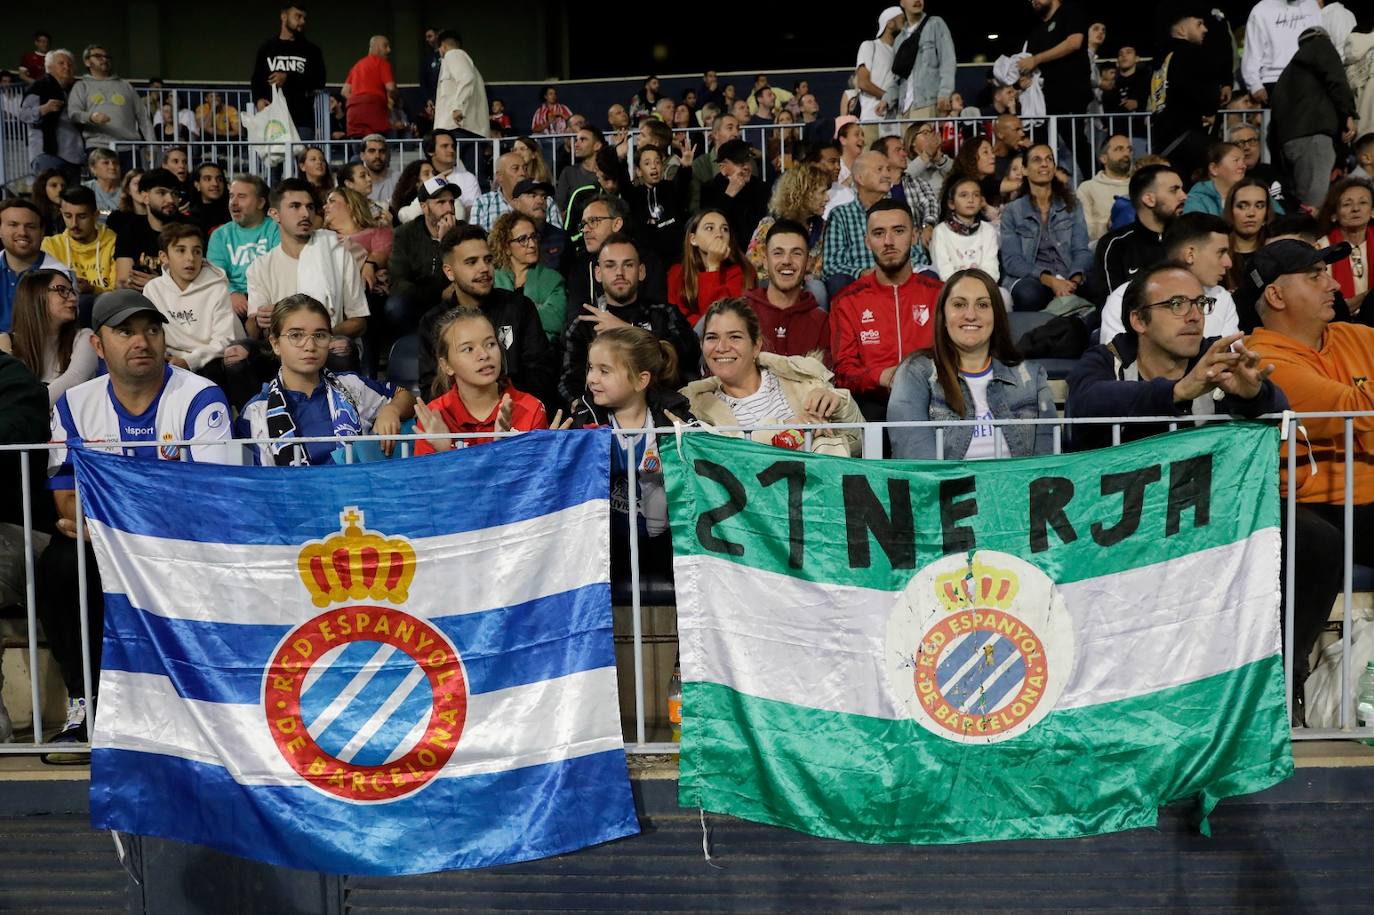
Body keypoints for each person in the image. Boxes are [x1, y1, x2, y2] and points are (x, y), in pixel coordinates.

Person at [42, 289, 240, 756]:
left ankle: (200, 707)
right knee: (57, 565)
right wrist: (103, 529)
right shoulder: (74, 404)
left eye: (151, 329)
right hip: (109, 539)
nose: (141, 341)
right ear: (98, 344)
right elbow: (67, 500)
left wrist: (116, 524)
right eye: (125, 331)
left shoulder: (200, 396)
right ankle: (84, 702)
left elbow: (207, 495)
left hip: (185, 540)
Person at [1241, 238, 1374, 692]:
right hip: (1306, 503)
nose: (1333, 284)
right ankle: (1282, 681)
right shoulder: (1262, 360)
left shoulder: (1357, 337)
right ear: (1275, 296)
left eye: (1328, 273)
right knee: (1318, 542)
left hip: (1365, 499)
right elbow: (1356, 414)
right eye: (1315, 276)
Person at [1065, 262, 1285, 452]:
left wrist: (1254, 397)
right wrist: (1177, 392)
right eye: (1177, 304)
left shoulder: (1218, 359)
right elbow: (1085, 401)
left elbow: (1283, 416)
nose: (1195, 316)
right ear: (1139, 321)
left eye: (1200, 303)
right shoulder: (1106, 359)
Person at [569, 325, 695, 582]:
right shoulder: (583, 420)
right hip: (604, 553)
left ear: (641, 380)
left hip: (665, 551)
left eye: (604, 371)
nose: (592, 378)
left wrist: (687, 441)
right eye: (591, 368)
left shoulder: (674, 419)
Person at [888, 268, 1054, 460]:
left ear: (997, 315)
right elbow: (917, 462)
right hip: (946, 490)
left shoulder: (1031, 376)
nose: (970, 315)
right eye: (959, 304)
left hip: (1016, 489)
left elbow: (1047, 465)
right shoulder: (914, 373)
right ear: (943, 315)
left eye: (982, 305)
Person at [238, 294, 413, 465]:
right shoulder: (256, 412)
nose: (310, 346)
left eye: (320, 335)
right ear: (275, 344)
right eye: (296, 335)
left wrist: (392, 410)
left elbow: (406, 397)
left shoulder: (351, 386)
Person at [683, 297, 863, 455]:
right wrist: (783, 427)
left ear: (756, 346)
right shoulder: (693, 409)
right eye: (712, 337)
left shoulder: (803, 382)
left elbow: (859, 444)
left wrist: (839, 405)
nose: (721, 347)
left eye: (735, 337)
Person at [416, 223, 557, 404]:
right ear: (449, 272)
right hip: (460, 427)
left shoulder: (520, 308)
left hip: (519, 419)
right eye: (472, 262)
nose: (484, 268)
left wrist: (496, 400)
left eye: (488, 260)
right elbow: (432, 391)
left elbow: (541, 376)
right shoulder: (433, 322)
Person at [830, 198, 942, 420]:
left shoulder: (940, 295)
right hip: (872, 407)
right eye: (879, 233)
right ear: (867, 241)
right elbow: (843, 372)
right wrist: (880, 376)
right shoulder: (847, 301)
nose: (889, 241)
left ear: (915, 236)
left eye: (898, 231)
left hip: (934, 402)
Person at [558, 232, 698, 406]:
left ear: (641, 271)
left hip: (665, 411)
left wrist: (628, 330)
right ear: (598, 273)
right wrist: (584, 408)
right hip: (603, 419)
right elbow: (569, 382)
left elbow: (685, 356)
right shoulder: (585, 324)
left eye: (628, 265)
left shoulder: (665, 313)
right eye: (610, 265)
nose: (619, 273)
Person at [244, 178, 368, 373]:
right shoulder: (260, 266)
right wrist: (258, 321)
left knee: (341, 346)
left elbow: (359, 321)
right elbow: (253, 329)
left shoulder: (337, 253)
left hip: (327, 347)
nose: (305, 213)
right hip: (281, 352)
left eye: (310, 207)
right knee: (237, 353)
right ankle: (256, 404)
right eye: (295, 206)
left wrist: (319, 335)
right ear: (274, 213)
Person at [412, 307, 547, 454]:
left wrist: (504, 446)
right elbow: (429, 477)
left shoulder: (530, 409)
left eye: (490, 344)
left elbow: (532, 476)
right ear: (447, 365)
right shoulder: (434, 417)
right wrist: (444, 452)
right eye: (468, 349)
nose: (484, 355)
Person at [1098, 213, 1242, 341]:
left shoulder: (1222, 298)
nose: (1228, 263)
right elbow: (1116, 364)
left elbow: (1230, 360)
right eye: (1221, 252)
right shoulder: (1124, 298)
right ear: (1190, 254)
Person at [142, 223, 244, 402]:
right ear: (164, 257)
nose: (190, 258)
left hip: (212, 359)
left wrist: (190, 361)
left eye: (196, 251)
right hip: (171, 359)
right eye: (181, 250)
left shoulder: (217, 287)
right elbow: (152, 333)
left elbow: (224, 341)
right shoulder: (153, 289)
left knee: (212, 372)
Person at [998, 144, 1092, 312]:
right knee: (1028, 294)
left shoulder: (1072, 206)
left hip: (1069, 274)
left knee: (1098, 285)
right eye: (1037, 160)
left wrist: (1074, 281)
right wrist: (1051, 281)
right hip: (1033, 278)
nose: (1044, 164)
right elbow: (1012, 261)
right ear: (1025, 170)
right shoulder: (1013, 211)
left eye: (1049, 159)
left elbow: (1081, 250)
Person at [1271, 26, 1357, 209]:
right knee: (1314, 206)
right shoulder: (1322, 46)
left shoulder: (1288, 75)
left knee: (1303, 201)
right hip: (1314, 140)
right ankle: (1310, 237)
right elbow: (1337, 81)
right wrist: (1347, 114)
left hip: (1290, 144)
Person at [0, 269, 98, 404]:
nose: (73, 298)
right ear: (35, 294)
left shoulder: (85, 337)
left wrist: (27, 409)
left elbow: (75, 378)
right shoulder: (6, 342)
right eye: (62, 290)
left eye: (72, 291)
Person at [1149, 9, 1223, 187]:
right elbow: (1207, 92)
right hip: (1187, 137)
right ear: (1182, 30)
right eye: (1199, 24)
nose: (1205, 29)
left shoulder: (1160, 58)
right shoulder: (1189, 53)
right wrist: (1211, 108)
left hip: (1164, 140)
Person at [821, 151, 908, 298]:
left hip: (898, 278)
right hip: (858, 284)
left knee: (928, 275)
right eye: (879, 169)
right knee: (838, 281)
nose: (887, 175)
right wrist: (860, 273)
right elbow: (831, 265)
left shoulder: (899, 212)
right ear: (860, 178)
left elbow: (918, 257)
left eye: (888, 169)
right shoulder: (840, 215)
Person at [744, 219, 830, 363]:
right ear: (765, 261)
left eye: (796, 253)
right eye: (778, 253)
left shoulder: (823, 323)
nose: (786, 261)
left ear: (808, 262)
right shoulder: (740, 312)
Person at [744, 163, 830, 303]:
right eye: (822, 192)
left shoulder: (823, 227)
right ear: (803, 193)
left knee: (817, 288)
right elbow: (753, 264)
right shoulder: (770, 225)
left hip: (804, 287)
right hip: (773, 284)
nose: (827, 198)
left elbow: (820, 270)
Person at [385, 176, 457, 336]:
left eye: (451, 202)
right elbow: (399, 282)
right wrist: (437, 293)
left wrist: (448, 241)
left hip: (454, 300)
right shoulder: (404, 234)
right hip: (416, 302)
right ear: (424, 207)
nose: (449, 208)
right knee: (396, 305)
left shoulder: (463, 232)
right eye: (441, 202)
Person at [206, 175, 280, 326]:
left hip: (269, 296)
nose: (233, 202)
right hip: (231, 300)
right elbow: (215, 273)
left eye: (241, 197)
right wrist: (231, 292)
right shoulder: (220, 235)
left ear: (260, 202)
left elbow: (279, 269)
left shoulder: (275, 228)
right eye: (231, 196)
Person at [251, 1, 327, 139]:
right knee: (273, 159)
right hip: (273, 120)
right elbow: (257, 79)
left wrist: (288, 78)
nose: (302, 21)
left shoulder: (312, 50)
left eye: (304, 18)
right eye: (298, 16)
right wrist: (259, 99)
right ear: (284, 17)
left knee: (304, 160)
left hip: (301, 119)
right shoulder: (267, 48)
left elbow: (319, 80)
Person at [668, 209, 757, 326]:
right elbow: (677, 318)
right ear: (693, 239)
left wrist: (713, 266)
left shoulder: (741, 271)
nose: (719, 234)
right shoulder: (677, 272)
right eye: (710, 228)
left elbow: (719, 319)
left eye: (725, 229)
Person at [490, 211, 567, 343]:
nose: (532, 244)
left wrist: (508, 314)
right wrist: (535, 310)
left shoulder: (553, 280)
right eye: (522, 239)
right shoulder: (493, 279)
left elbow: (556, 320)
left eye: (533, 237)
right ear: (506, 247)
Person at [1, 199, 75, 332]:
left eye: (31, 226)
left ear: (42, 233)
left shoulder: (59, 275)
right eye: (13, 225)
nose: (22, 232)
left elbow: (60, 332)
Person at [66, 44, 153, 153]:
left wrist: (152, 146)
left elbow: (143, 117)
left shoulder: (125, 85)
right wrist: (91, 117)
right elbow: (73, 114)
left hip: (130, 147)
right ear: (87, 62)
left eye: (106, 57)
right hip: (98, 146)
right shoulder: (81, 86)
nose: (104, 59)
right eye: (98, 56)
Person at [114, 168, 184, 292]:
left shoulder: (189, 230)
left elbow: (194, 281)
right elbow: (122, 280)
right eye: (162, 193)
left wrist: (157, 284)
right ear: (145, 197)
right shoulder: (129, 230)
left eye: (174, 193)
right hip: (139, 299)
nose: (170, 200)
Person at [886, 0, 958, 120]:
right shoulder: (899, 39)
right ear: (902, 3)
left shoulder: (935, 24)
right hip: (904, 108)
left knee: (925, 138)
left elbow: (948, 62)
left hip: (927, 103)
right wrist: (887, 99)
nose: (917, 0)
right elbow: (897, 78)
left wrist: (945, 92)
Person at [18, 48, 82, 180]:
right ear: (49, 67)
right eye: (61, 63)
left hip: (74, 156)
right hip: (48, 154)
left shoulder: (76, 89)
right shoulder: (39, 86)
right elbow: (23, 114)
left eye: (69, 64)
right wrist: (44, 109)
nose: (66, 67)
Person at [1241, 0, 1322, 105]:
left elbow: (1321, 44)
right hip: (1274, 80)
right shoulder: (1261, 9)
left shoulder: (1312, 5)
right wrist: (1254, 85)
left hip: (1309, 79)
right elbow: (1252, 52)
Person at [41, 186, 116, 298]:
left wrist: (93, 289)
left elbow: (119, 292)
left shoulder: (113, 242)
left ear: (95, 216)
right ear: (61, 213)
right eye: (68, 216)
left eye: (82, 216)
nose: (74, 224)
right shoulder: (51, 245)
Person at [1022, 0, 1091, 117]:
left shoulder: (1069, 12)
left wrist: (1037, 59)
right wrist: (1022, 79)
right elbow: (1028, 60)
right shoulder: (1036, 30)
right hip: (1044, 98)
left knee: (1072, 134)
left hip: (1071, 92)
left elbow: (1074, 43)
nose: (1033, 1)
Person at [1318, 177, 1374, 316]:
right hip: (1337, 322)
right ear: (1334, 215)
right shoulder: (1321, 248)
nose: (1356, 209)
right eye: (1347, 204)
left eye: (1363, 202)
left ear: (1373, 211)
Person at [323, 186, 391, 296]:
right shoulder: (322, 237)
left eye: (332, 201)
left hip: (364, 291)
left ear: (350, 206)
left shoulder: (377, 231)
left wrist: (370, 264)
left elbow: (382, 253)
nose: (325, 206)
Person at [930, 176, 1000, 281]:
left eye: (976, 195)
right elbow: (943, 271)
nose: (971, 200)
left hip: (983, 287)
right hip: (952, 289)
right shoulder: (941, 231)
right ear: (951, 204)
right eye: (964, 195)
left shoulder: (988, 230)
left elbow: (992, 269)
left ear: (981, 201)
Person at [855, 7, 904, 145]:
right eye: (902, 20)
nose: (906, 24)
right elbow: (863, 83)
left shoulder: (901, 54)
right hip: (872, 119)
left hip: (896, 122)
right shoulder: (869, 46)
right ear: (890, 23)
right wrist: (889, 98)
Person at [1076, 134, 1132, 243]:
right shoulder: (1087, 188)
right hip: (1101, 247)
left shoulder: (1140, 185)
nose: (1126, 154)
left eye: (1129, 149)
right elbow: (1083, 230)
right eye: (1119, 149)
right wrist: (1109, 226)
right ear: (1103, 158)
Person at [432, 29, 488, 137]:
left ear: (443, 46)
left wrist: (458, 107)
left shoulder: (453, 54)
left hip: (458, 127)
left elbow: (466, 78)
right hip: (463, 128)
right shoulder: (466, 61)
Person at [511, 178, 572, 274]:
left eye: (544, 197)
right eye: (533, 195)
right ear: (516, 203)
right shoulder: (505, 238)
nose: (540, 201)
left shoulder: (562, 238)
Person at [1224, 177, 1276, 290]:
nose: (1251, 213)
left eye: (1259, 206)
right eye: (1243, 206)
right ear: (1230, 210)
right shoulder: (1217, 257)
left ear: (1266, 213)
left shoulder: (1275, 255)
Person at [689, 114, 742, 213]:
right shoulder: (700, 164)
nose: (736, 133)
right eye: (730, 128)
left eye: (738, 129)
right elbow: (695, 205)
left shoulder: (748, 162)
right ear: (716, 134)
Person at [470, 151, 533, 231]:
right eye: (515, 168)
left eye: (525, 168)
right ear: (500, 177)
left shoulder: (542, 200)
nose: (523, 173)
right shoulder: (483, 203)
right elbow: (475, 239)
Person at [1182, 142, 1248, 217]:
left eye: (1243, 161)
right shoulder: (1196, 200)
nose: (1243, 166)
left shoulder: (1248, 196)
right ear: (1214, 169)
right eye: (1236, 160)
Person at [554, 126, 604, 215]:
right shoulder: (568, 172)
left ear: (597, 145)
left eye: (583, 140)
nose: (576, 144)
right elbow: (559, 207)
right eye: (576, 140)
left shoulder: (607, 174)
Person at [188, 161, 230, 236]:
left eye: (219, 179)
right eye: (208, 179)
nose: (215, 184)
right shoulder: (189, 218)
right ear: (197, 185)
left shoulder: (234, 212)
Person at [83, 148, 122, 222]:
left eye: (115, 163)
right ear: (93, 169)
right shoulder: (86, 189)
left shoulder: (128, 189)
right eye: (106, 163)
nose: (112, 167)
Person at [359, 134, 397, 207]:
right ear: (362, 156)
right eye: (372, 151)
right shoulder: (354, 181)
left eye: (381, 151)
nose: (377, 156)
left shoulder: (398, 179)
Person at [31, 168, 66, 237]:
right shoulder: (33, 214)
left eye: (63, 186)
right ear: (43, 188)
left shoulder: (70, 212)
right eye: (54, 185)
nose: (60, 189)